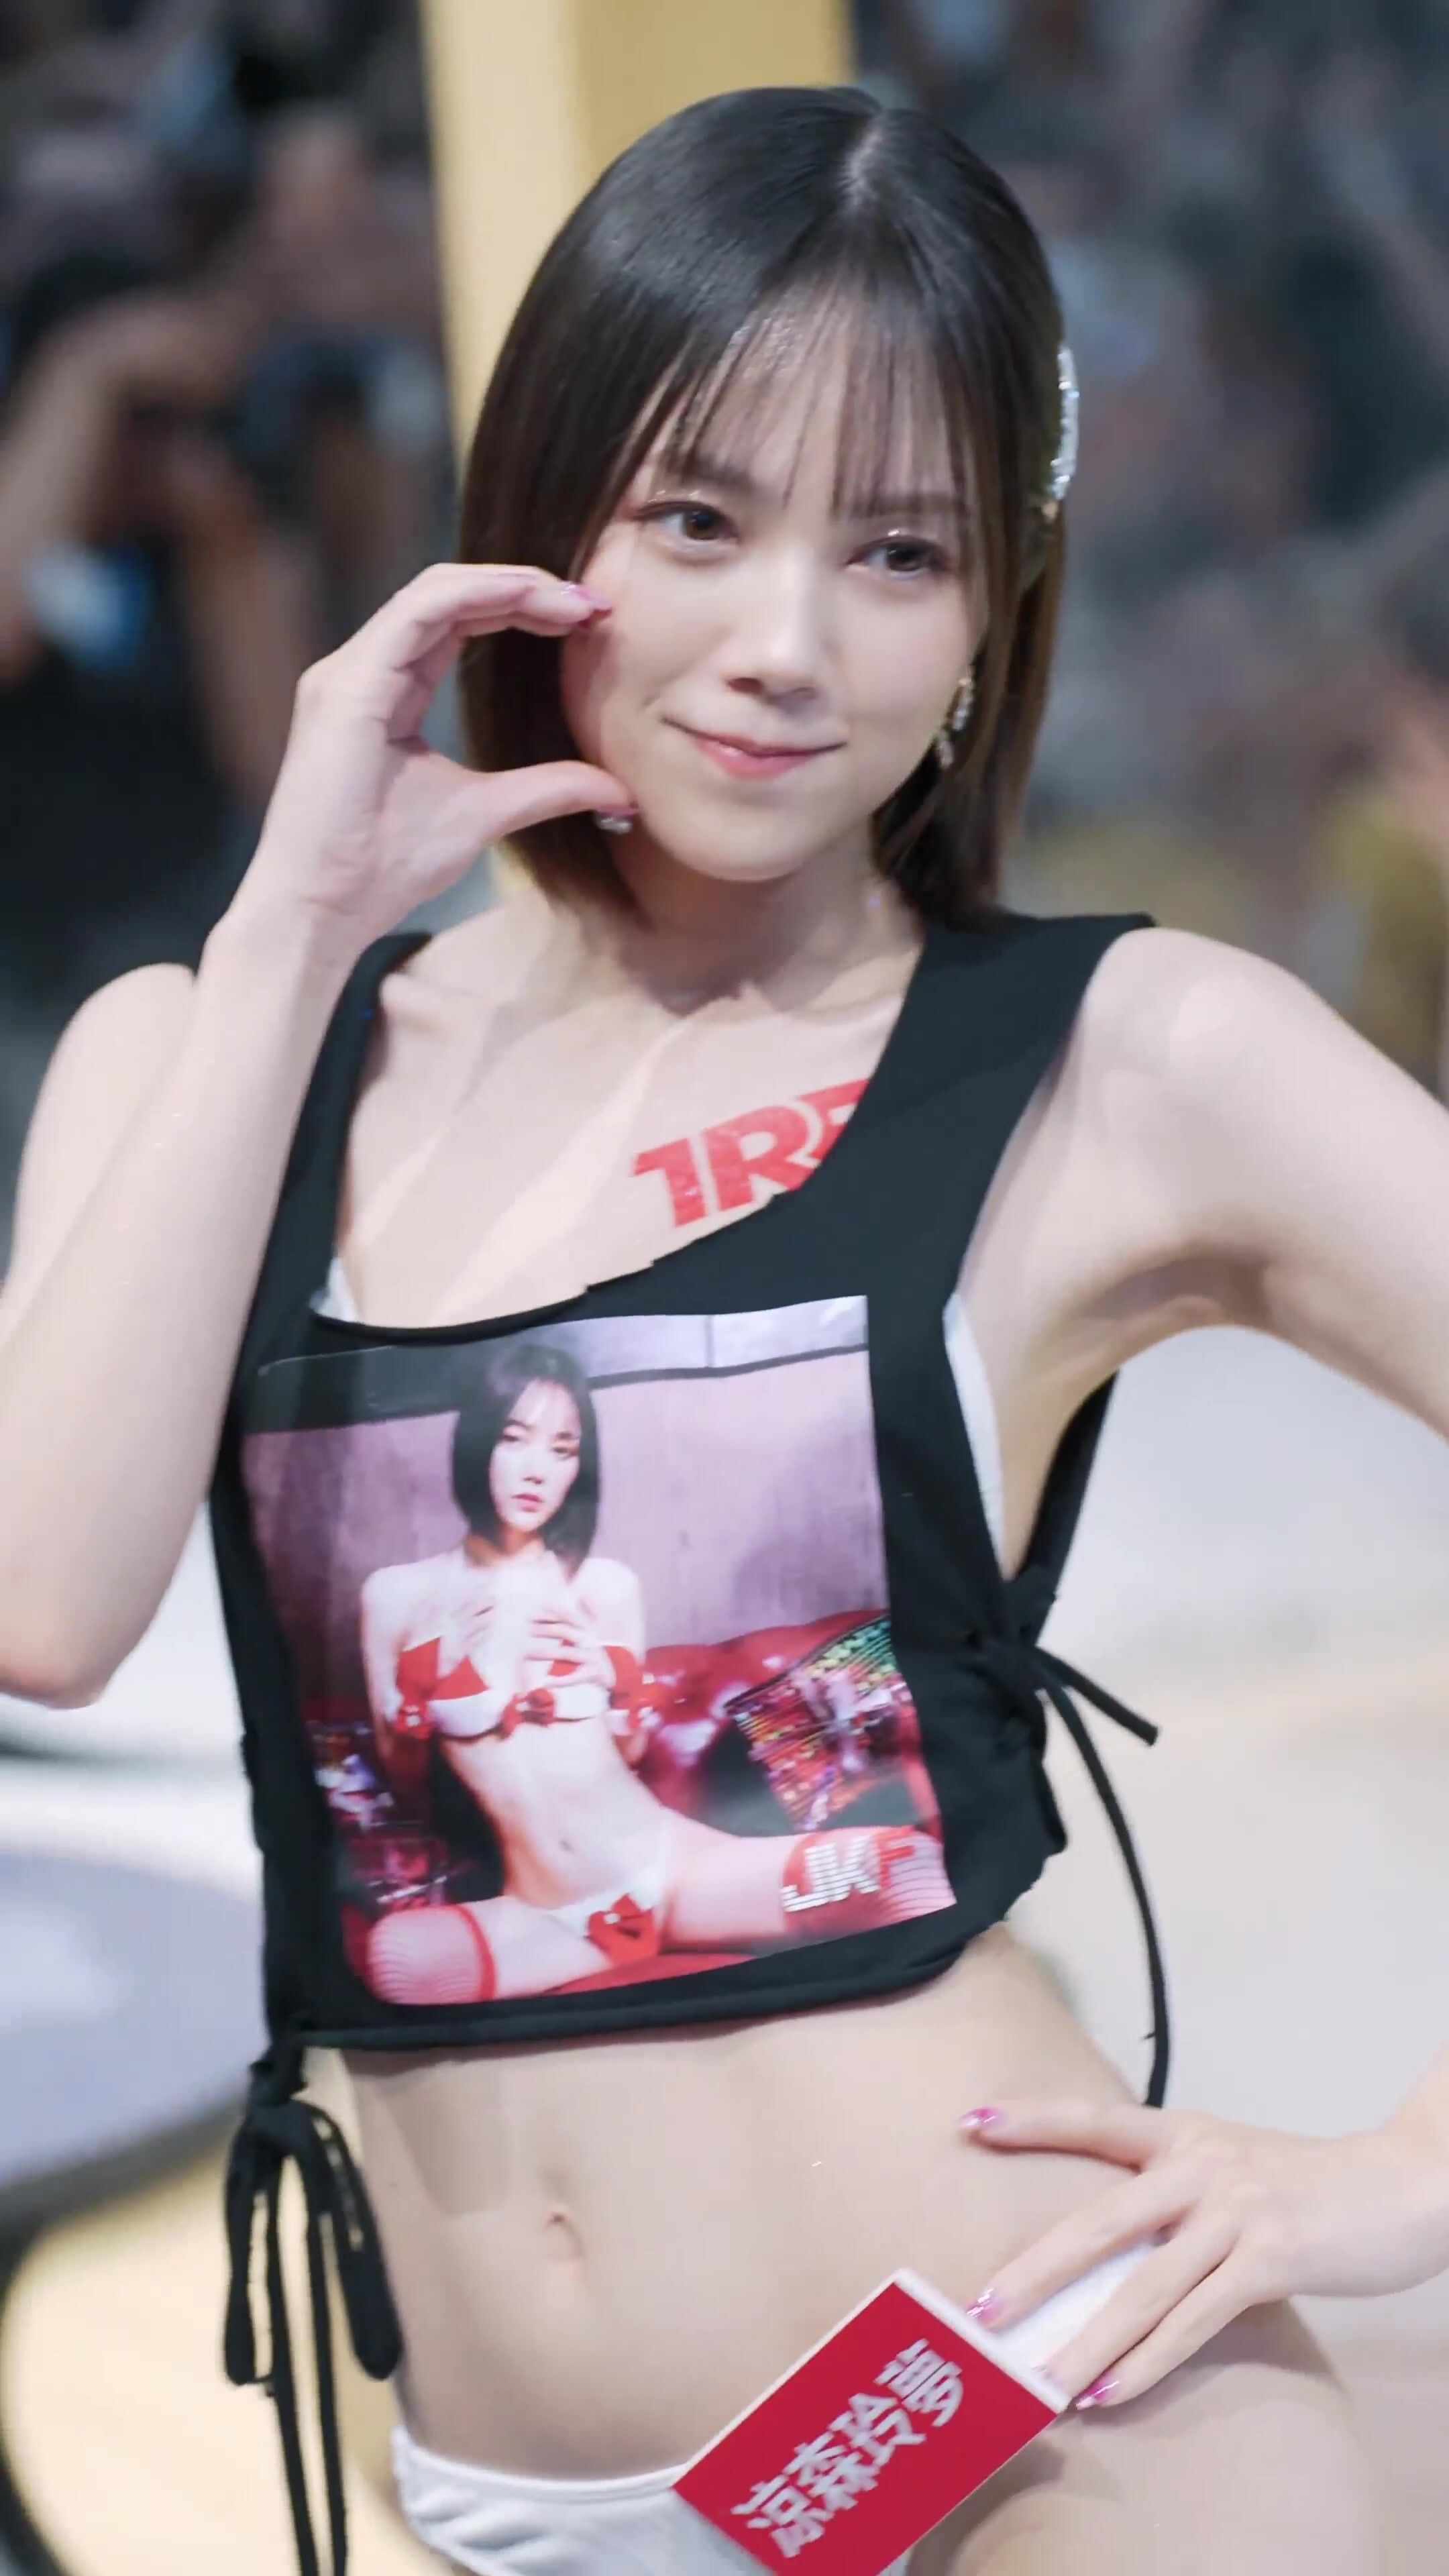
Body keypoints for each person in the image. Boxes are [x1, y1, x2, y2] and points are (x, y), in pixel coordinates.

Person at [2, 83, 1448, 2576]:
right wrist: (289, 933)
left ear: (993, 607)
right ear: (539, 517)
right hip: (494, 2486)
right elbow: (42, 1602)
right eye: (696, 518)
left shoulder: (1125, 1057)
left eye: (899, 551)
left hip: (1044, 2426)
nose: (785, 644)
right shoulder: (217, 1049)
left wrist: (1404, 2175)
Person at [355, 1342, 950, 2003]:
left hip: (676, 1871)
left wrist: (613, 1683)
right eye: (514, 1439)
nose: (537, 1470)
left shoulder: (603, 1586)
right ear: (477, 1443)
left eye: (562, 1449)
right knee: (399, 1963)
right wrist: (427, 1681)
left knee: (902, 1869)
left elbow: (630, 1752)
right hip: (551, 1915)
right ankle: (626, 1949)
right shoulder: (400, 1596)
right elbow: (406, 1781)